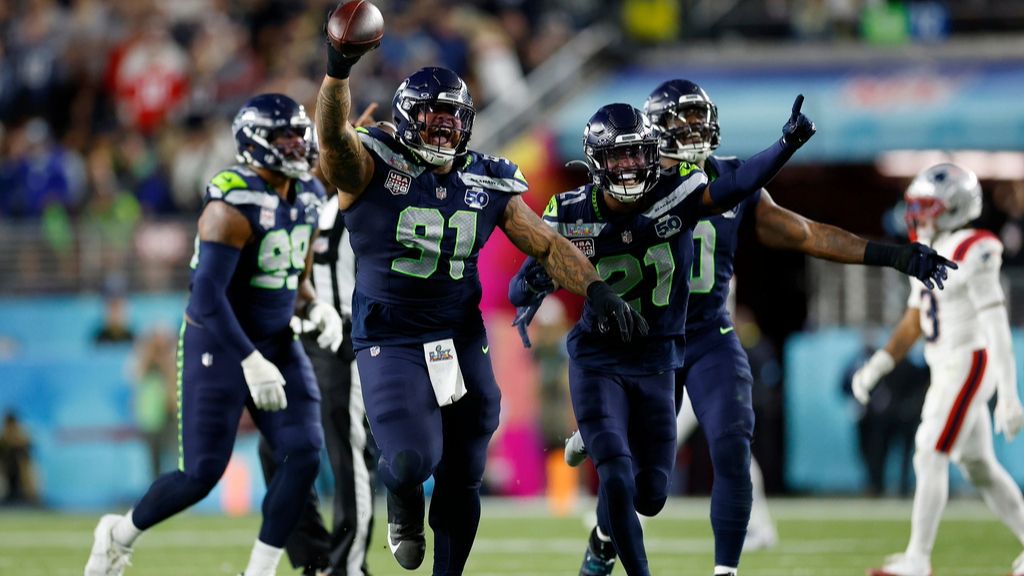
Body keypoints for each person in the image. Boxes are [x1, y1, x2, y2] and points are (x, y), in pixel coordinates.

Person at [518, 80, 956, 576]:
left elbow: (805, 233)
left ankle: (725, 570)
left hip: (706, 336)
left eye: (699, 119)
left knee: (730, 441)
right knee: (639, 474)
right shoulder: (629, 188)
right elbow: (569, 246)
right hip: (639, 342)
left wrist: (894, 255)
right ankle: (604, 529)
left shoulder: (730, 181)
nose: (694, 131)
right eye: (681, 122)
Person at [314, 12, 647, 575]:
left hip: (459, 336)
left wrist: (597, 291)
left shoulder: (485, 180)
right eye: (432, 117)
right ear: (405, 119)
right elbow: (331, 139)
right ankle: (401, 499)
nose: (444, 129)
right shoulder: (371, 163)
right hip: (390, 334)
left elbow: (544, 243)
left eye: (453, 118)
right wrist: (337, 72)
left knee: (465, 465)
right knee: (410, 458)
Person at [510, 96, 817, 576]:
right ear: (595, 159)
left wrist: (785, 146)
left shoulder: (678, 193)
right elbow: (524, 275)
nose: (630, 165)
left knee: (651, 495)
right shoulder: (569, 208)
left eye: (637, 154)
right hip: (598, 358)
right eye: (618, 155)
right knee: (614, 473)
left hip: (656, 360)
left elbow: (735, 186)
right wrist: (536, 278)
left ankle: (592, 449)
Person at [84, 93, 344, 576]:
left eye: (297, 133)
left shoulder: (309, 193)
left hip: (275, 340)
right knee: (200, 474)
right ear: (255, 143)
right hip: (219, 343)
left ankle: (260, 570)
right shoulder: (231, 202)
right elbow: (205, 297)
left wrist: (315, 307)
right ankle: (118, 535)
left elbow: (294, 275)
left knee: (304, 454)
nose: (296, 144)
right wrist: (249, 360)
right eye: (283, 136)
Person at [852, 163, 1024, 576]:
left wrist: (1009, 392)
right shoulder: (927, 251)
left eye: (926, 207)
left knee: (930, 449)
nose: (917, 215)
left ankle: (917, 559)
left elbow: (995, 321)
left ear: (954, 207)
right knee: (978, 466)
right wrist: (878, 365)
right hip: (944, 364)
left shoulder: (974, 246)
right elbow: (916, 318)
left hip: (969, 360)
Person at [257, 125, 376, 576]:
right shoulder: (308, 203)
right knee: (276, 447)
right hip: (301, 337)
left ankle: (351, 565)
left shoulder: (363, 204)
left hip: (343, 337)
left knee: (346, 450)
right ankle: (314, 559)